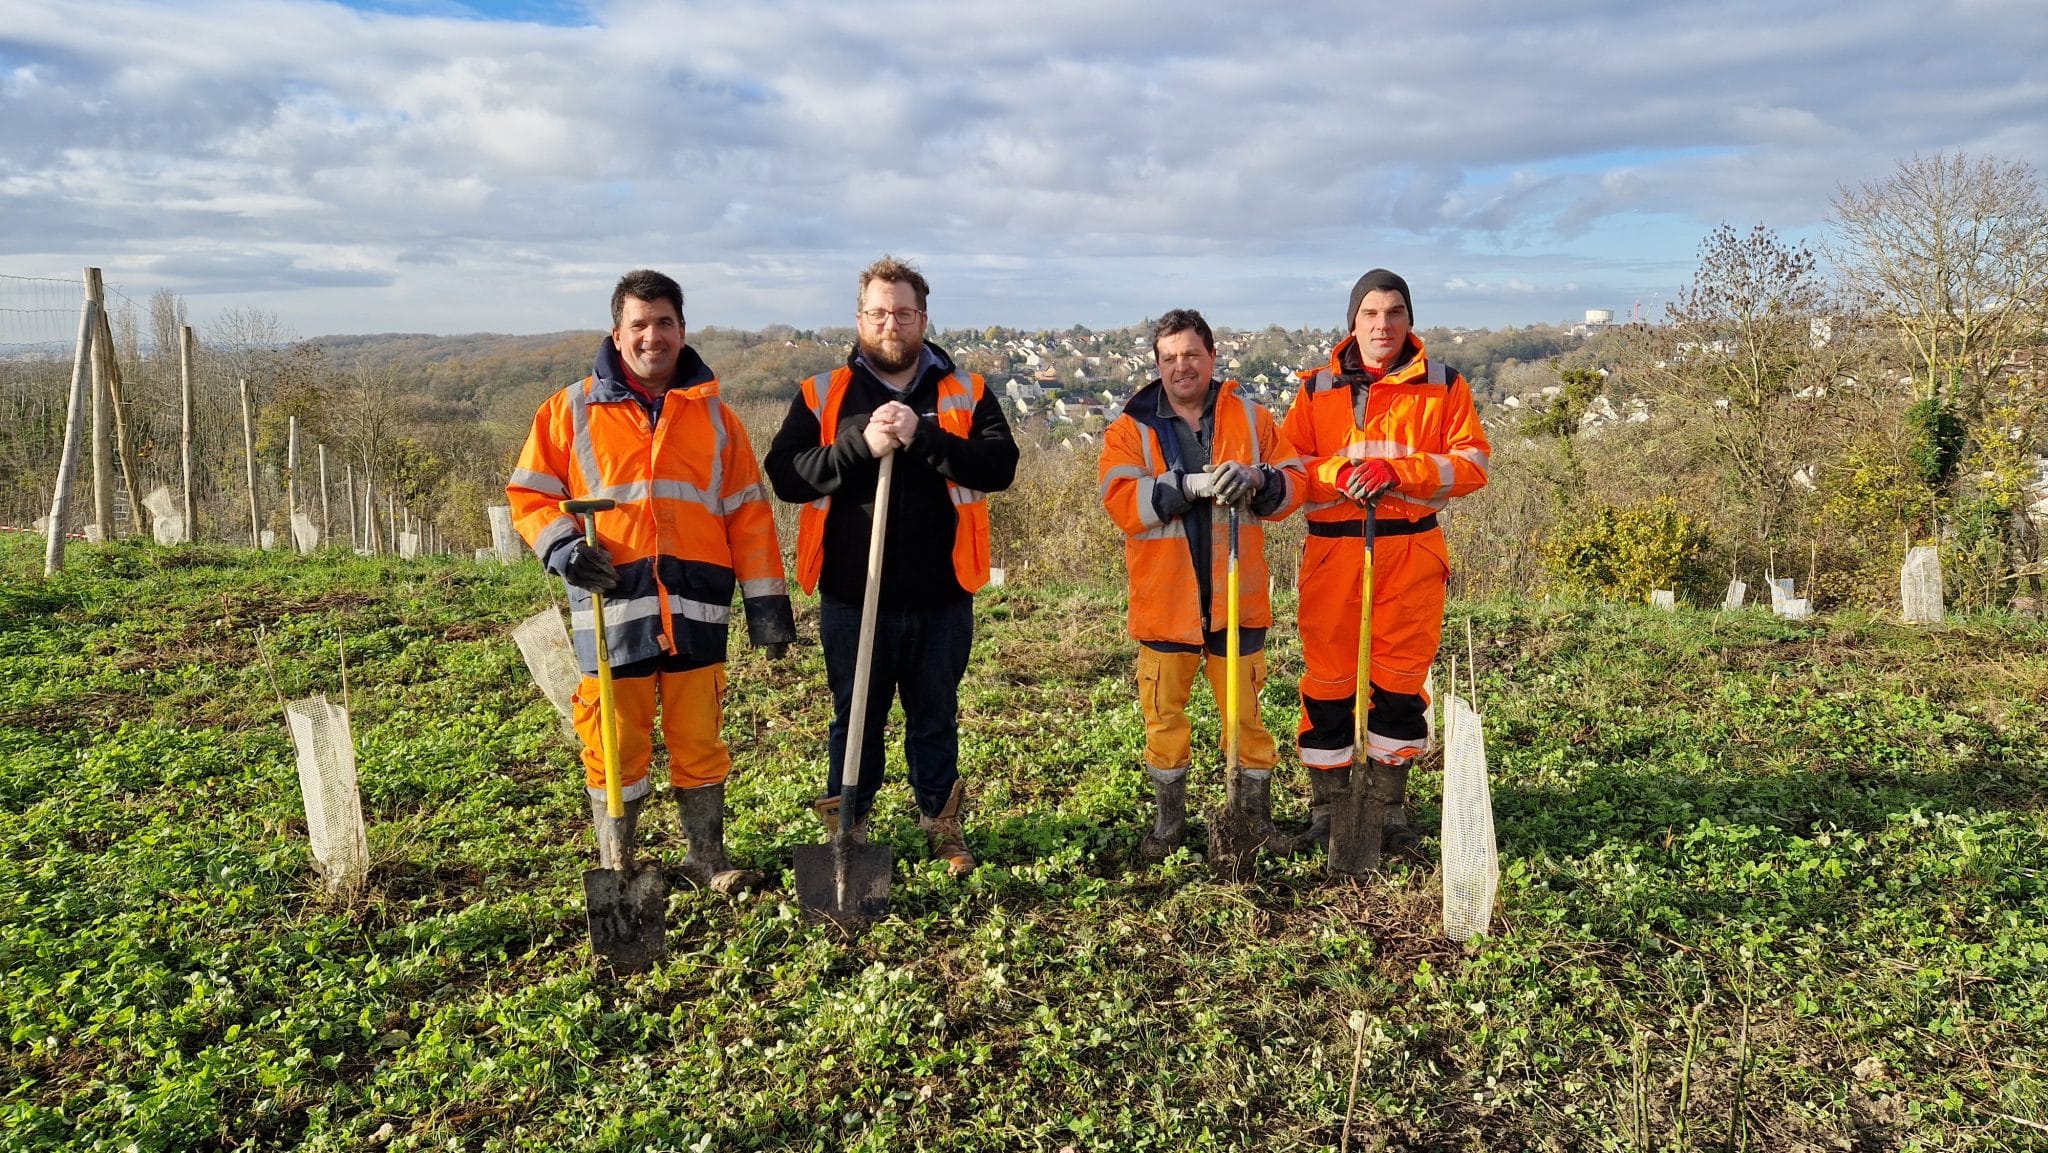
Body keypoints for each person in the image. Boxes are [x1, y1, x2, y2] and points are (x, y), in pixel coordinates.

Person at [507, 269, 795, 896]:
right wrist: (564, 550)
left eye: (664, 322)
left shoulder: (717, 418)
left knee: (699, 740)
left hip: (698, 612)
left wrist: (768, 607)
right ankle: (619, 866)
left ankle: (707, 860)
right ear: (617, 333)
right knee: (612, 743)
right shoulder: (568, 410)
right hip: (612, 610)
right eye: (639, 324)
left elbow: (748, 516)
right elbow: (529, 496)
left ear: (682, 330)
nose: (652, 336)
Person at [764, 255, 1018, 877]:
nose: (890, 324)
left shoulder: (966, 391)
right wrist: (862, 445)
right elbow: (786, 475)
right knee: (856, 717)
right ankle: (848, 831)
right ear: (860, 320)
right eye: (878, 313)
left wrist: (922, 437)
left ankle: (941, 823)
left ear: (923, 319)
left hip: (942, 595)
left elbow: (999, 466)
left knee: (935, 715)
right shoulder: (823, 394)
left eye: (903, 313)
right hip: (854, 597)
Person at [1280, 269, 1490, 869]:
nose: (1382, 324)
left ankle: (1387, 808)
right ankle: (1328, 807)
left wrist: (1401, 471)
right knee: (1328, 684)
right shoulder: (1315, 389)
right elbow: (1288, 466)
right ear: (1353, 322)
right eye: (1370, 313)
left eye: (1394, 312)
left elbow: (1473, 464)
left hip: (1411, 553)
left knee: (1400, 685)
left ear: (1410, 319)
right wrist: (1337, 473)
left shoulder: (1445, 385)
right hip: (1332, 554)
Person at [1098, 309, 1305, 861]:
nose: (1181, 366)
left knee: (1246, 720)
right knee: (1164, 721)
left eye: (1191, 354)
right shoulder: (1130, 428)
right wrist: (1183, 486)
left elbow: (1296, 484)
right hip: (1166, 604)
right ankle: (1169, 826)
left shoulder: (1252, 418)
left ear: (1212, 356)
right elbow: (1120, 502)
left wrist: (1260, 478)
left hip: (1239, 600)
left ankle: (1253, 822)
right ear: (1157, 365)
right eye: (1169, 358)